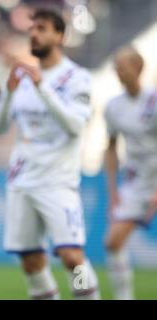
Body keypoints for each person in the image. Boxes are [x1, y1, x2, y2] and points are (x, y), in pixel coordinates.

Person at [0, 8, 99, 299]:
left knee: (72, 258)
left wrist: (42, 87)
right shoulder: (22, 77)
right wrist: (10, 91)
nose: (34, 34)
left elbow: (76, 126)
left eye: (42, 28)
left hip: (58, 181)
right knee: (31, 261)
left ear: (60, 35)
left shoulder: (77, 77)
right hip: (22, 179)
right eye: (32, 29)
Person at [104, 46, 157, 300]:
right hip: (137, 183)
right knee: (112, 242)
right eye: (115, 65)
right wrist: (113, 191)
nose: (116, 70)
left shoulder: (154, 100)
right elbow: (111, 148)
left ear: (137, 68)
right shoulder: (113, 106)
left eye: (121, 65)